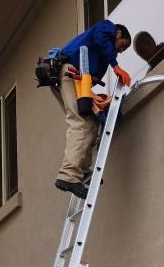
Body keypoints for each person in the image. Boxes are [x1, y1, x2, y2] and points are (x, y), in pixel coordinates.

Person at [54, 20, 132, 199]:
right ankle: (68, 175)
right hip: (69, 72)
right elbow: (101, 37)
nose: (121, 50)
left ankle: (81, 171)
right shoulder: (107, 28)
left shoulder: (103, 56)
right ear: (118, 34)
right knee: (80, 123)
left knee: (90, 122)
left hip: (78, 79)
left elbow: (91, 78)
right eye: (123, 45)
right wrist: (116, 67)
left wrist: (99, 99)